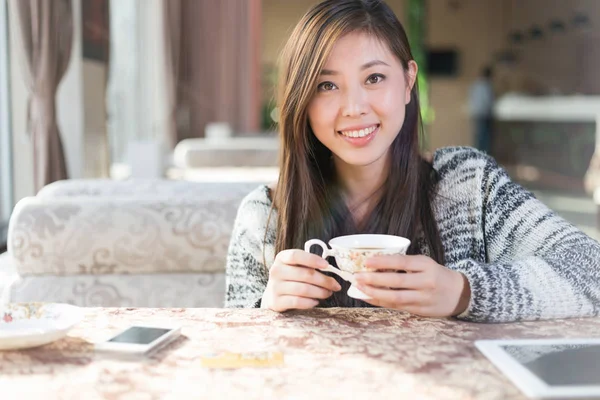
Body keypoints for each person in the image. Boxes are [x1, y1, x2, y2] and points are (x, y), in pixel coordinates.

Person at [225, 0, 600, 323]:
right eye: (327, 85)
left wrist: (465, 292)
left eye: (374, 78)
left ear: (407, 82)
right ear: (300, 99)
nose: (354, 108)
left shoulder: (468, 185)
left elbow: (591, 270)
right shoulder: (265, 215)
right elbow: (231, 354)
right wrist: (266, 310)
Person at [469, 66, 495, 153]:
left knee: (479, 135)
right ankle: (483, 155)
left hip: (476, 112)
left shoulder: (475, 84)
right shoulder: (486, 85)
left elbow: (471, 98)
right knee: (484, 137)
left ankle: (478, 155)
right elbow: (488, 101)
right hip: (484, 113)